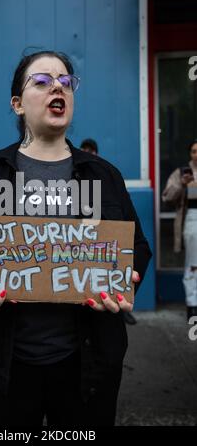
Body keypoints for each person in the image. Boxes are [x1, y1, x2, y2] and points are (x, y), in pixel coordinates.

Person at [0, 50, 152, 427]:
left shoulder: (104, 176)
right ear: (17, 104)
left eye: (66, 82)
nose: (58, 88)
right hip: (0, 366)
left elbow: (137, 249)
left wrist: (122, 280)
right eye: (43, 81)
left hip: (87, 367)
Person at [80, 138, 138, 326]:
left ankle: (123, 310)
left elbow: (137, 240)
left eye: (92, 150)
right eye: (85, 150)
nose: (88, 153)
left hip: (107, 252)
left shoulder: (107, 175)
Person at [162, 140, 197, 321]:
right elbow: (167, 196)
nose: (196, 154)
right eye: (193, 151)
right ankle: (192, 304)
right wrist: (182, 185)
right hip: (192, 217)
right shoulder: (183, 172)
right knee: (193, 263)